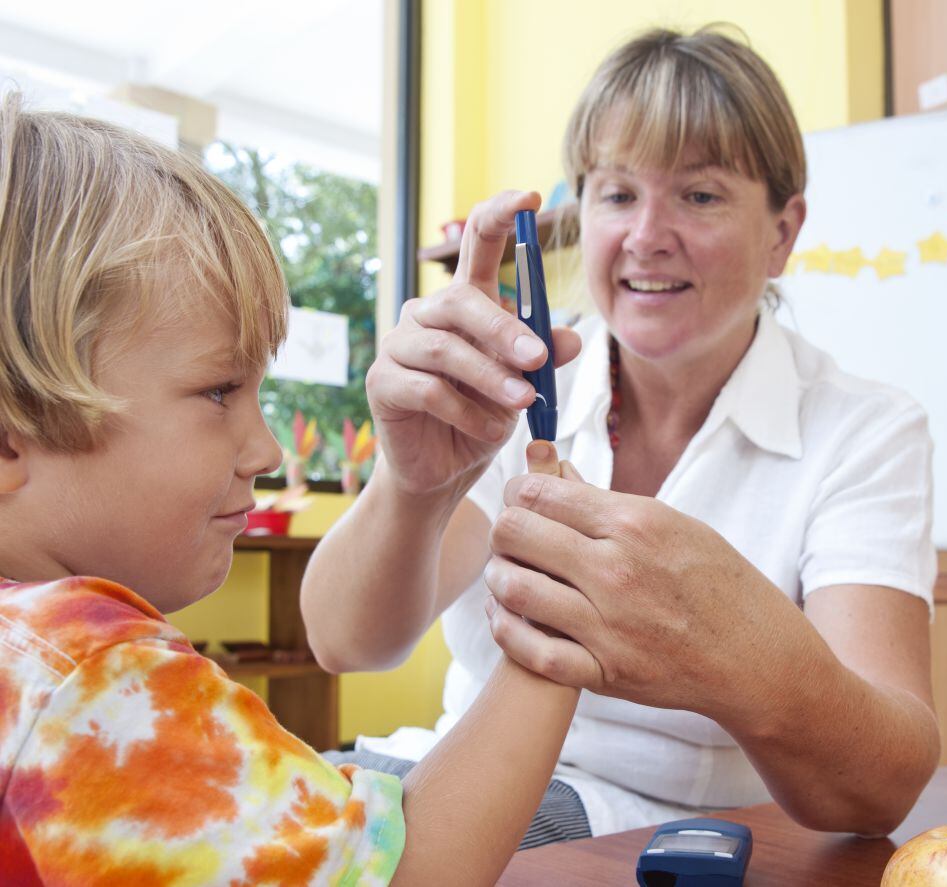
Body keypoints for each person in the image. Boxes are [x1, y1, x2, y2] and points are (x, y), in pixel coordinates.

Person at [302, 25, 941, 842]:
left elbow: (880, 785)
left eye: (700, 195)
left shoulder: (863, 431)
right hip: (434, 771)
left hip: (648, 833)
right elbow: (345, 640)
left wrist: (734, 634)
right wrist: (412, 485)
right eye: (617, 194)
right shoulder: (514, 383)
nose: (647, 235)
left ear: (782, 232)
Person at [0, 94, 582, 887]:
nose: (268, 450)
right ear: (9, 438)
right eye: (218, 392)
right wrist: (555, 635)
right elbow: (406, 874)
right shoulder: (93, 676)